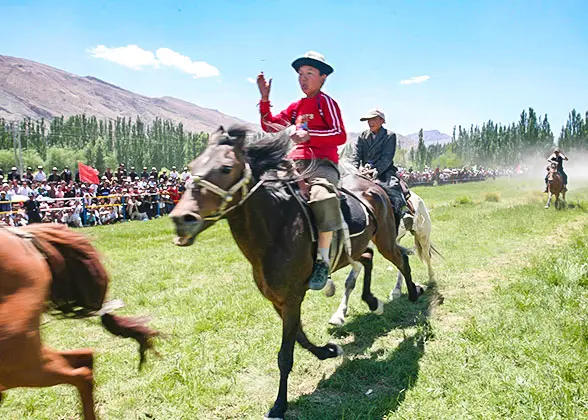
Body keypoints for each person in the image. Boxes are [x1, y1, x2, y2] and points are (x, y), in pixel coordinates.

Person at [257, 50, 347, 290]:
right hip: (293, 165)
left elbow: (340, 135)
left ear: (323, 78)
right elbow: (270, 126)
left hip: (321, 165)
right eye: (300, 74)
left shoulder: (326, 102)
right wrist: (265, 98)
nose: (303, 79)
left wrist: (309, 135)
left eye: (309, 73)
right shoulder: (296, 107)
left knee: (323, 197)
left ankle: (322, 261)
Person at [352, 108, 412, 231]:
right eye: (368, 120)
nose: (370, 122)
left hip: (384, 171)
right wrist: (354, 169)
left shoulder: (390, 136)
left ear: (382, 120)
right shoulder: (362, 136)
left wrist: (375, 170)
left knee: (392, 186)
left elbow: (387, 158)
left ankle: (403, 211)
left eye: (373, 119)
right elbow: (356, 156)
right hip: (363, 172)